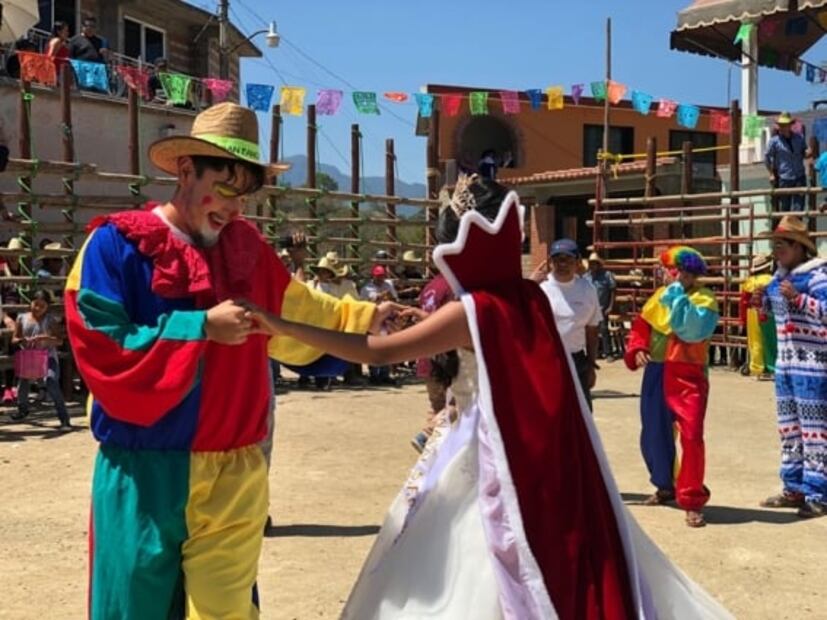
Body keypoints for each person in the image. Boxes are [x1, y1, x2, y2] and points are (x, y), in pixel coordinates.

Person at [243, 174, 732, 619]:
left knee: (471, 561)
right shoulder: (529, 296)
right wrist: (429, 323)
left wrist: (280, 325)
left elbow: (378, 351)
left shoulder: (472, 309)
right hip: (534, 462)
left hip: (483, 454)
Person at [64, 102, 397, 619]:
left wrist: (371, 318)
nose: (235, 208)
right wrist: (200, 329)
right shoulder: (115, 245)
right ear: (185, 170)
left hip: (235, 472)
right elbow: (100, 342)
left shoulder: (247, 249)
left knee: (225, 614)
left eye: (243, 194)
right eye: (223, 187)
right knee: (131, 608)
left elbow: (302, 312)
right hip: (143, 470)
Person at [624, 246, 719, 528]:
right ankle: (665, 485)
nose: (678, 276)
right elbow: (641, 327)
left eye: (685, 272)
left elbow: (689, 329)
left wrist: (676, 294)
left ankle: (691, 499)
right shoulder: (658, 297)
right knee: (653, 430)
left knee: (691, 436)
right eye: (674, 271)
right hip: (656, 370)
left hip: (688, 374)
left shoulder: (704, 299)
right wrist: (638, 347)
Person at [755, 216, 827, 519]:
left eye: (782, 245)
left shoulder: (818, 277)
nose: (777, 250)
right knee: (790, 429)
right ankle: (794, 486)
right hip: (786, 364)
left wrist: (798, 299)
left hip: (812, 366)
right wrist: (764, 304)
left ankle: (819, 492)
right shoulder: (778, 278)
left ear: (800, 247)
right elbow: (776, 316)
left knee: (815, 431)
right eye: (775, 245)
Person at [538, 238, 601, 411]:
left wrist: (591, 365)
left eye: (568, 259)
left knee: (582, 416)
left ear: (578, 262)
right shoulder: (540, 289)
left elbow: (592, 329)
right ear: (551, 262)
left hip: (577, 361)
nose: (563, 264)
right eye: (558, 259)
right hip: (548, 362)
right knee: (550, 415)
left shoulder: (587, 290)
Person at [10, 289, 71, 430]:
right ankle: (22, 410)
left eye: (42, 306)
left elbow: (60, 341)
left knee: (51, 382)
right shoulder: (22, 318)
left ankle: (64, 418)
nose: (37, 308)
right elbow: (14, 339)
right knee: (23, 383)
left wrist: (46, 338)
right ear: (30, 303)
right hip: (28, 358)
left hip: (48, 357)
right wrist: (22, 340)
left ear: (47, 307)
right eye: (35, 304)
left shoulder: (50, 320)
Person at [739, 254, 776, 380]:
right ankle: (771, 368)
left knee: (755, 341)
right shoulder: (771, 280)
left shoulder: (748, 282)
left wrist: (743, 319)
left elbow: (744, 302)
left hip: (752, 313)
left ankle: (756, 368)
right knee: (770, 340)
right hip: (769, 313)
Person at [361, 264, 399, 385]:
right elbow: (362, 304)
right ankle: (374, 374)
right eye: (378, 276)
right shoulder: (367, 288)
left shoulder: (388, 285)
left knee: (386, 346)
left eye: (382, 276)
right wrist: (375, 298)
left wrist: (389, 296)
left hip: (387, 319)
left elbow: (395, 299)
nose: (380, 278)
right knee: (373, 346)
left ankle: (384, 373)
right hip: (373, 319)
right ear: (374, 276)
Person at [765, 112, 809, 212]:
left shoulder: (799, 138)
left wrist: (808, 152)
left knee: (799, 208)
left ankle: (795, 227)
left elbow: (804, 152)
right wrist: (771, 173)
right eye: (780, 125)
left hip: (799, 176)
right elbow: (767, 157)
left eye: (784, 125)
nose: (782, 127)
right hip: (784, 178)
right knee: (785, 207)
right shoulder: (774, 141)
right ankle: (785, 227)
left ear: (790, 125)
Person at [585, 252, 618, 361]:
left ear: (599, 264)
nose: (593, 266)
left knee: (604, 330)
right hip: (590, 309)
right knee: (591, 331)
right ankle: (596, 352)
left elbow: (613, 290)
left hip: (602, 307)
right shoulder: (586, 277)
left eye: (595, 264)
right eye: (591, 264)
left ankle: (608, 353)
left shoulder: (607, 275)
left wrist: (610, 306)